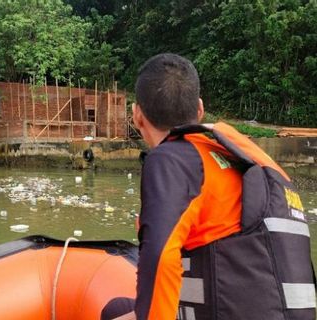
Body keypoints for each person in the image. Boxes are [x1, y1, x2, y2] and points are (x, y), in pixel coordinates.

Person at [131, 54, 315, 320]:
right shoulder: (244, 159)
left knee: (112, 309)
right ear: (200, 110)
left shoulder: (170, 158)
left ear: (137, 116)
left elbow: (159, 257)